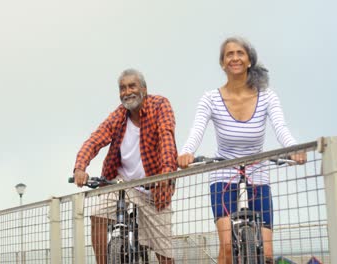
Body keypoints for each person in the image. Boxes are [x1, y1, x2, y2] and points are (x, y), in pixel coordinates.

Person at [177, 37, 306, 264]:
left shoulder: (267, 95)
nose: (235, 57)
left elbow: (280, 127)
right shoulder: (210, 99)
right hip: (223, 170)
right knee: (227, 248)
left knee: (266, 254)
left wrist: (294, 149)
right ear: (222, 63)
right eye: (229, 54)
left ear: (248, 61)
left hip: (257, 169)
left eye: (240, 53)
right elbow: (197, 129)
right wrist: (187, 152)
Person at [73, 68, 177, 264]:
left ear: (144, 90)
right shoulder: (119, 116)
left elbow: (166, 138)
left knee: (165, 255)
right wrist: (80, 167)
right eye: (122, 88)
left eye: (132, 86)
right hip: (122, 183)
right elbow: (95, 139)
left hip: (154, 188)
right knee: (97, 214)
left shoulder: (160, 105)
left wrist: (166, 173)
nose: (127, 92)